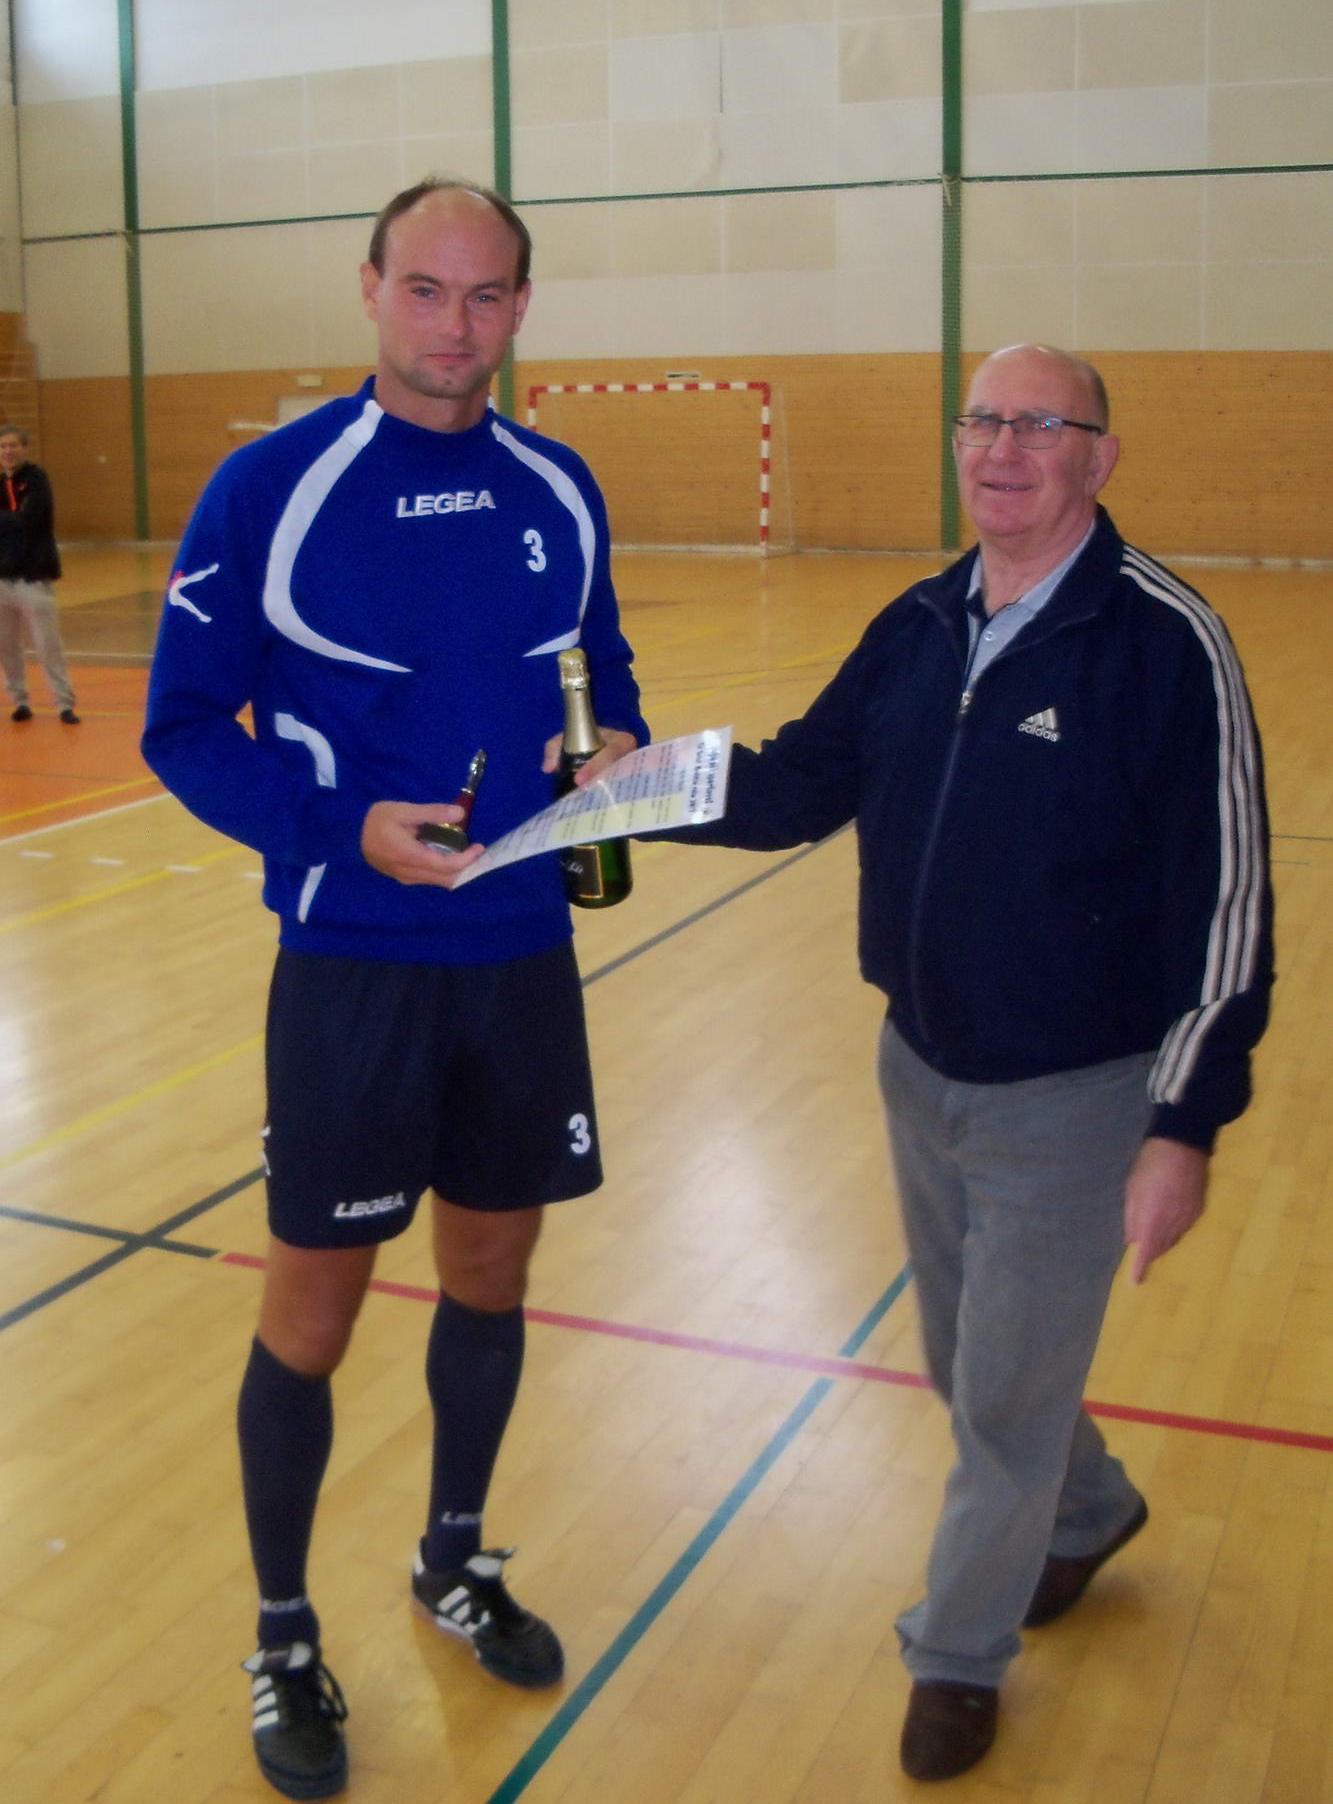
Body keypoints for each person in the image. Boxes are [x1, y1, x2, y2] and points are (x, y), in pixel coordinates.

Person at [657, 345, 1272, 1782]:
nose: (1002, 447)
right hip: (917, 1066)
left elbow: (1228, 900)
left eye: (1039, 425)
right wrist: (643, 788)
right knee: (966, 1359)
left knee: (1000, 1400)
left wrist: (1183, 1120)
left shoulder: (1163, 641)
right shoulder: (922, 621)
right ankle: (1089, 1509)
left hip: (1076, 1096)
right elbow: (799, 780)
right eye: (982, 420)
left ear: (1098, 457)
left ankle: (956, 1655)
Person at [141, 178, 645, 1801]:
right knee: (314, 1312)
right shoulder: (269, 488)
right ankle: (284, 1636)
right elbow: (181, 726)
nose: (454, 323)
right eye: (424, 289)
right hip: (352, 966)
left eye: (486, 294)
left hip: (518, 960)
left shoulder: (558, 487)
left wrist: (618, 755)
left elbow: (602, 673)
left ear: (521, 308)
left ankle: (451, 1557)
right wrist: (336, 832)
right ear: (369, 288)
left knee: (490, 1278)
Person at [0, 423, 80, 723]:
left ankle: (64, 703)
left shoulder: (37, 479)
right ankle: (20, 700)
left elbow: (28, 520)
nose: (8, 451)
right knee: (6, 645)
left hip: (33, 578)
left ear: (24, 448)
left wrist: (8, 521)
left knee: (47, 645)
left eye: (13, 445)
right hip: (2, 580)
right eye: (3, 446)